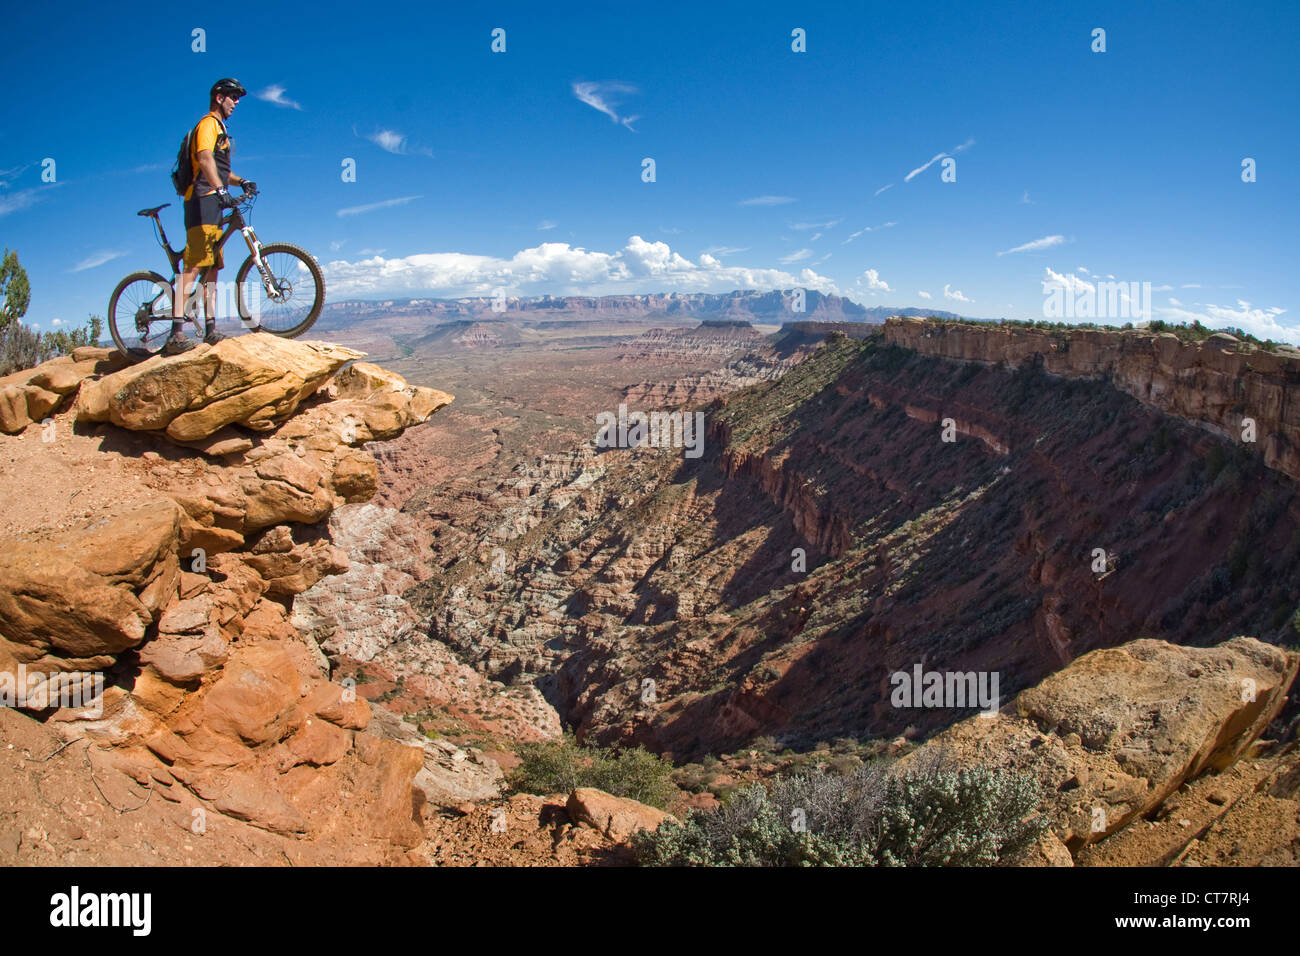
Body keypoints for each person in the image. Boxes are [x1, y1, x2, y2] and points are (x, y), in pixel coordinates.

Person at [163, 78, 258, 355]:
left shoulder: (221, 130)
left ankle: (210, 329)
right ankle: (175, 335)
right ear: (219, 97)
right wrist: (219, 189)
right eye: (233, 96)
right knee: (193, 268)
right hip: (201, 201)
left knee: (212, 268)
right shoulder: (207, 125)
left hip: (213, 201)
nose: (236, 102)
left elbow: (220, 169)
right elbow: (204, 159)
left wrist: (242, 182)